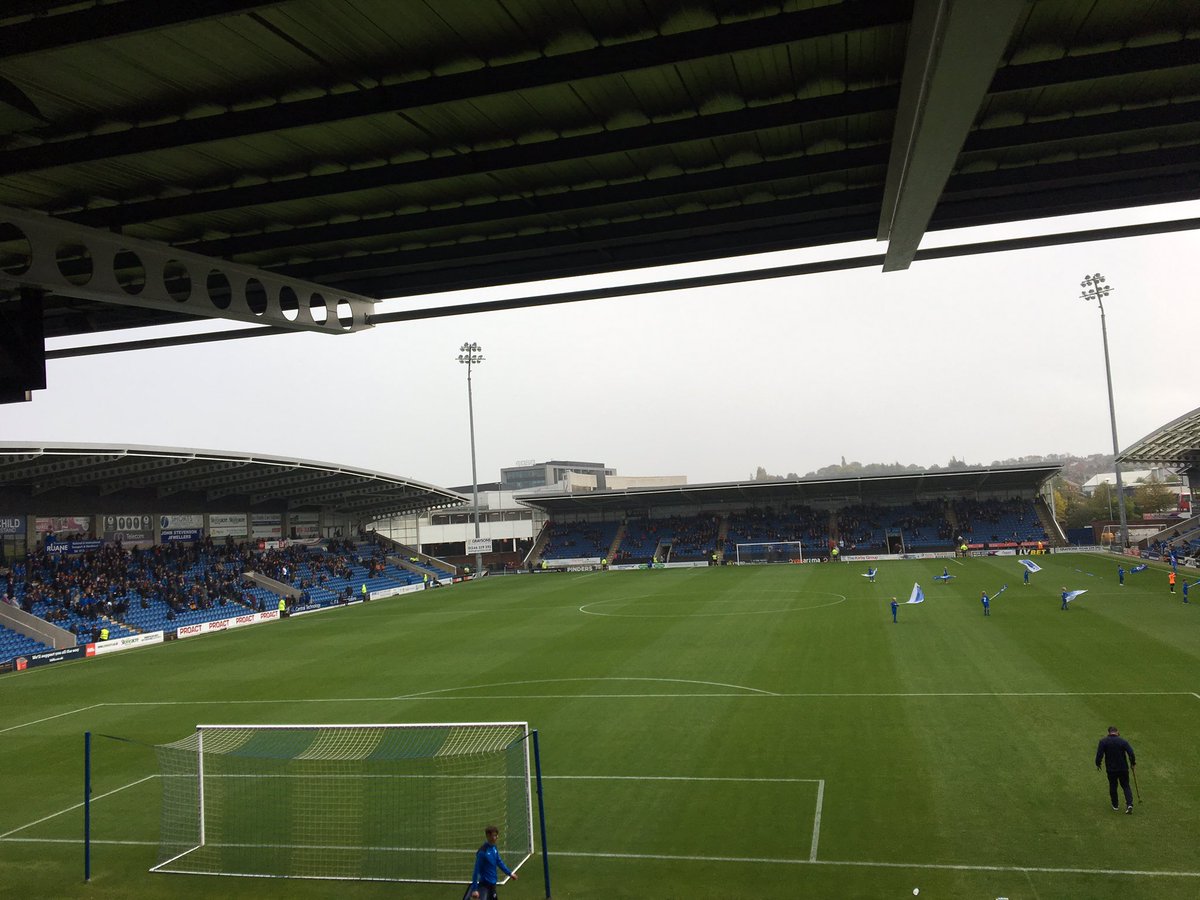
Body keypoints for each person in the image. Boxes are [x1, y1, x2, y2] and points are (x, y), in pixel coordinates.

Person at [468, 825, 517, 899]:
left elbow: (499, 861)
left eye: (497, 835)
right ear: (488, 836)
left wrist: (509, 873)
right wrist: (475, 889)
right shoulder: (482, 852)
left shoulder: (494, 847)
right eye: (494, 835)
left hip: (492, 885)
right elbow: (476, 871)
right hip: (484, 886)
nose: (497, 837)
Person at [1095, 725, 1136, 813]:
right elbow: (1131, 753)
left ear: (1108, 732)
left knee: (1113, 785)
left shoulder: (1103, 741)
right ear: (1117, 732)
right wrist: (1133, 763)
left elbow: (1099, 755)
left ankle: (1115, 805)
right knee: (1125, 785)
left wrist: (1098, 764)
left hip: (1111, 769)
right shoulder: (1123, 741)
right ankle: (1129, 804)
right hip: (1123, 768)